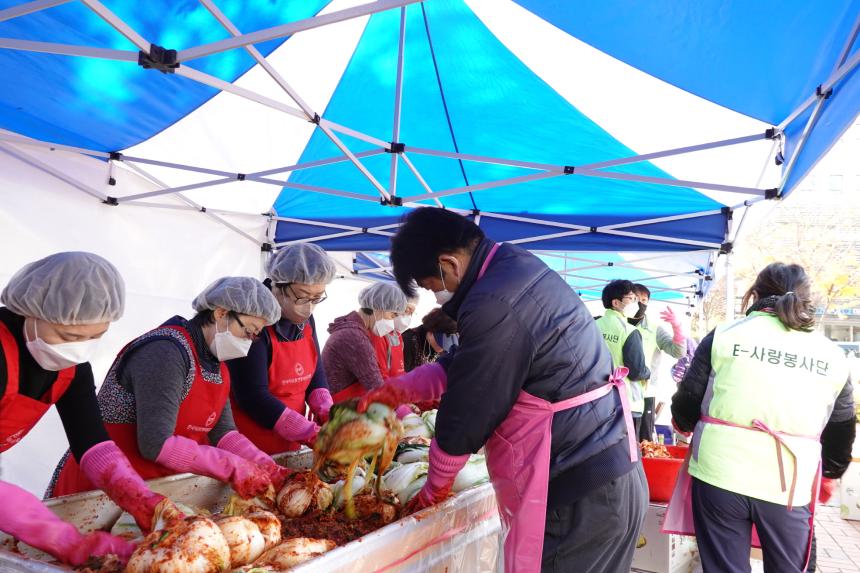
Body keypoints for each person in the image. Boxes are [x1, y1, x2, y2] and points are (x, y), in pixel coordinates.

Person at [358, 208, 647, 573]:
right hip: (605, 473)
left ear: (449, 264)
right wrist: (400, 389)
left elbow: (469, 409)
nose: (435, 298)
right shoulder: (513, 267)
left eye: (433, 287)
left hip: (582, 494)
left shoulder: (496, 301)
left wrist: (435, 487)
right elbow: (476, 360)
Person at [669, 263, 854, 572]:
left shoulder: (724, 336)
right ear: (807, 300)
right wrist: (832, 472)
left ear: (754, 294)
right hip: (790, 483)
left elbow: (688, 401)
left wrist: (683, 423)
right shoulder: (830, 353)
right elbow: (842, 424)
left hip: (719, 473)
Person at [0, 252, 174, 565]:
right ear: (31, 312)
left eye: (95, 337)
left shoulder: (71, 365)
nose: (78, 348)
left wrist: (139, 498)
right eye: (68, 336)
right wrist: (60, 537)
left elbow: (91, 443)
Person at [49, 277, 290, 501]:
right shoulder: (166, 352)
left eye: (254, 337)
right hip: (97, 491)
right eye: (247, 331)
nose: (248, 342)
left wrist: (269, 467)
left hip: (150, 489)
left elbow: (225, 433)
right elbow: (156, 444)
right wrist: (230, 466)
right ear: (221, 312)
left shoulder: (216, 363)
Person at [227, 244, 337, 454]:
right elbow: (252, 396)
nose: (309, 306)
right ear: (278, 285)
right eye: (302, 296)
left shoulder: (304, 318)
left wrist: (325, 407)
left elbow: (316, 371)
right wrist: (308, 432)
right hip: (251, 444)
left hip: (292, 443)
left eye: (317, 298)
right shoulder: (251, 319)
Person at [322, 282, 407, 402]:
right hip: (340, 409)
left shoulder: (354, 330)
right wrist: (403, 410)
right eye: (392, 315)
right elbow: (376, 385)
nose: (392, 323)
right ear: (378, 307)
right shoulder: (354, 337)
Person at [628, 284, 686, 442]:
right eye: (635, 298)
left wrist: (677, 327)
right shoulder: (617, 324)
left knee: (643, 441)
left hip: (645, 394)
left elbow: (678, 352)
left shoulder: (654, 329)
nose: (639, 303)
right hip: (617, 393)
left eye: (644, 300)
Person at [595, 280, 651, 437]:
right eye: (631, 299)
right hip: (625, 402)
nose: (636, 303)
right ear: (616, 302)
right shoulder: (629, 331)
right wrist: (648, 373)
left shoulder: (593, 325)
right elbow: (636, 371)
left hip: (595, 401)